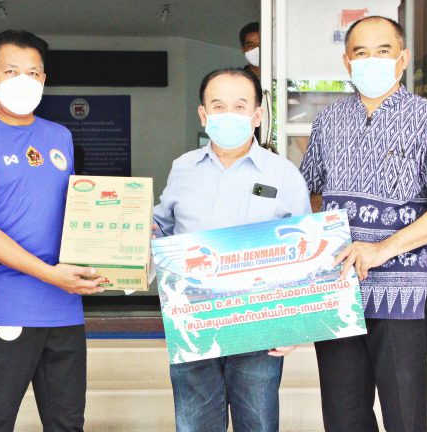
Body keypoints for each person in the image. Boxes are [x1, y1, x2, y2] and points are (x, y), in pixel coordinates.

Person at [299, 16, 427, 432]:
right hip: (339, 292)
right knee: (344, 419)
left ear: (403, 58)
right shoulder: (328, 120)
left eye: (383, 51)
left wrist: (381, 249)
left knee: (405, 418)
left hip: (403, 295)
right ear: (347, 62)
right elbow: (310, 194)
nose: (371, 60)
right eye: (361, 53)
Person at [0, 30, 104, 432]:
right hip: (5, 305)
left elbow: (74, 215)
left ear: (44, 79)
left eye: (33, 73)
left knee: (67, 423)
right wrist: (50, 274)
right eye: (11, 71)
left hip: (64, 306)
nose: (24, 81)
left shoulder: (59, 136)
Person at [153, 67, 311, 432]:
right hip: (194, 320)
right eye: (218, 106)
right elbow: (162, 227)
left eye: (240, 106)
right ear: (203, 114)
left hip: (260, 322)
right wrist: (132, 232)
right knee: (195, 425)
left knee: (257, 423)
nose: (229, 115)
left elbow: (306, 250)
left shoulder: (283, 175)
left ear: (257, 115)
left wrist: (294, 325)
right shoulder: (183, 169)